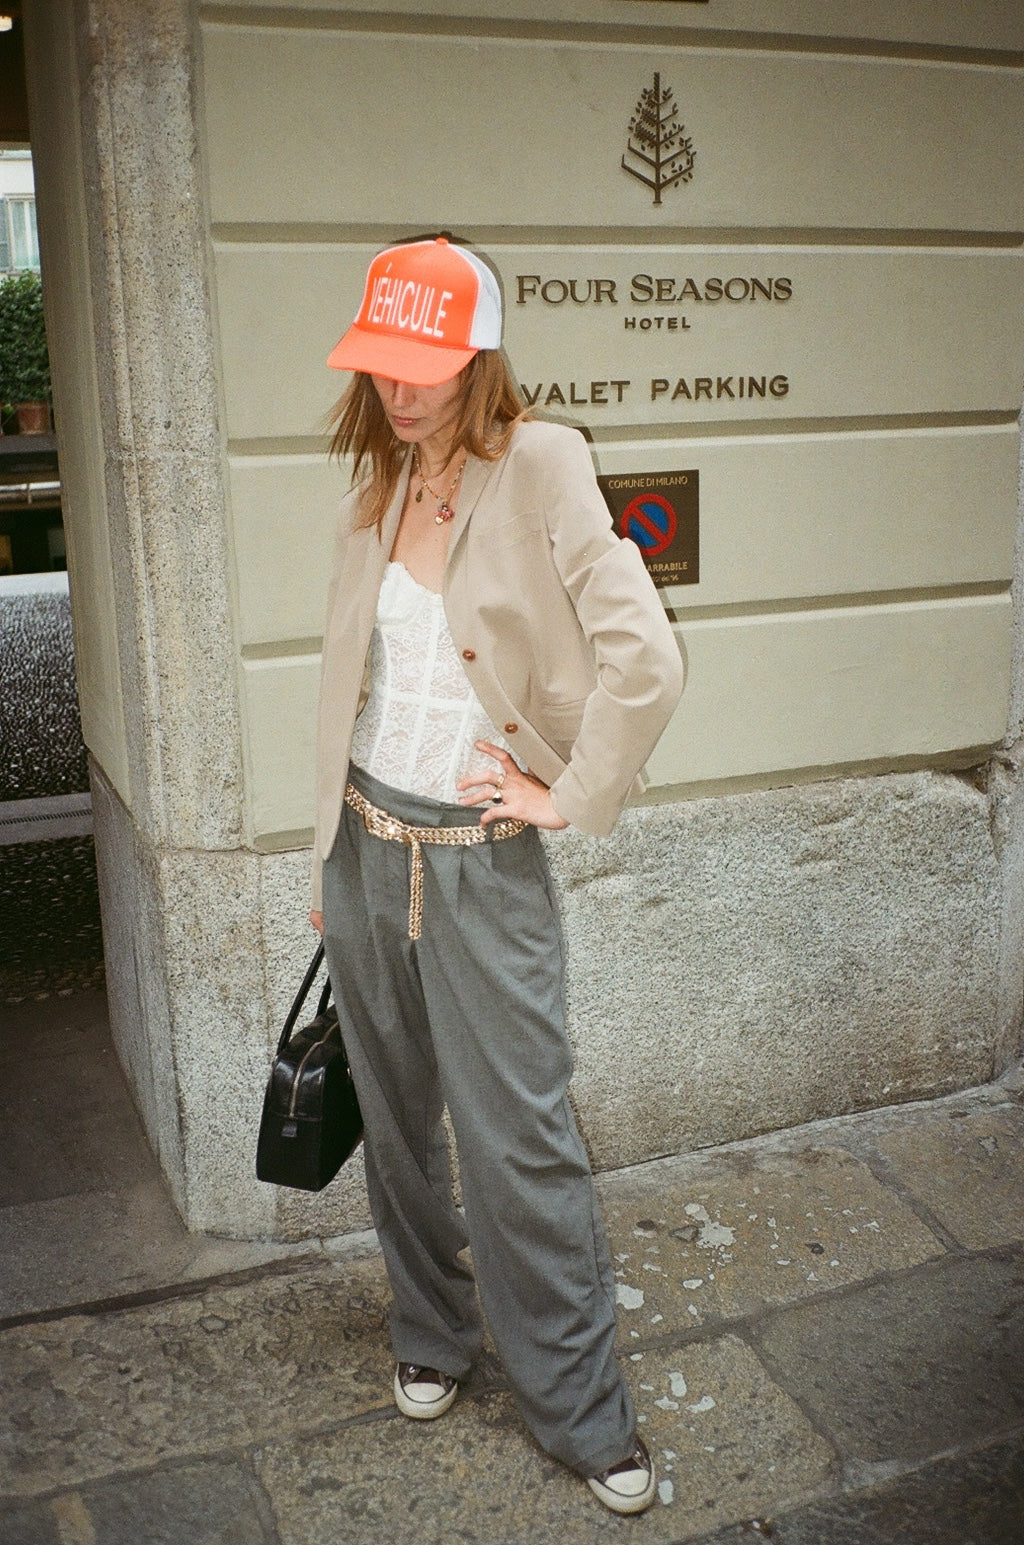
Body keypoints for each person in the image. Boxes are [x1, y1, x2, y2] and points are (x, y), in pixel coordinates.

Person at [309, 235, 684, 1514]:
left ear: (477, 357)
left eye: (422, 370)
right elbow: (346, 683)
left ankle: (581, 1412)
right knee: (398, 1128)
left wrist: (565, 796)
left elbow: (646, 658)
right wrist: (326, 854)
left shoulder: (540, 464)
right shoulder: (379, 476)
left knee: (520, 1141)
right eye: (384, 369)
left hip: (480, 861)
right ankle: (432, 1333)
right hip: (366, 844)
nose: (401, 392)